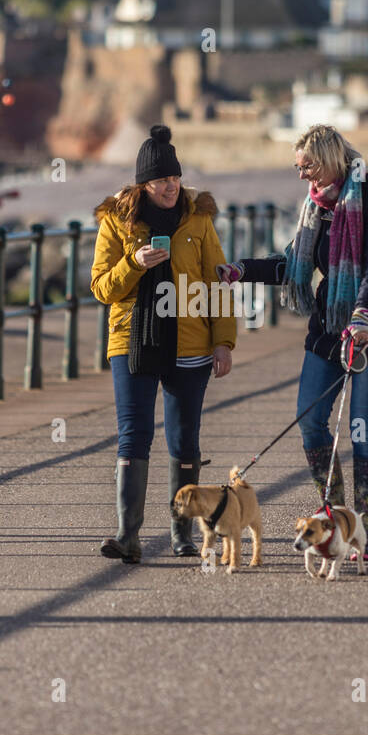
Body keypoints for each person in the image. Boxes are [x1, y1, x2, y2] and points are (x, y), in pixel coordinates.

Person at [219, 124, 368, 560]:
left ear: (329, 159)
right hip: (329, 327)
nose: (302, 175)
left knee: (363, 430)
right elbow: (292, 262)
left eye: (307, 166)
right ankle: (333, 515)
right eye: (297, 167)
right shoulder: (317, 209)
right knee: (310, 420)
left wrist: (364, 318)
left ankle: (365, 529)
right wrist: (240, 270)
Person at [91, 125, 235, 563]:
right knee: (133, 436)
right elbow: (100, 288)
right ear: (143, 184)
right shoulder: (116, 220)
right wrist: (134, 264)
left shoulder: (199, 217)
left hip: (190, 344)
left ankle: (182, 533)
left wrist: (224, 340)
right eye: (160, 181)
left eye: (174, 178)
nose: (170, 187)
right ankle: (127, 534)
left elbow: (219, 280)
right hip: (132, 341)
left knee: (183, 439)